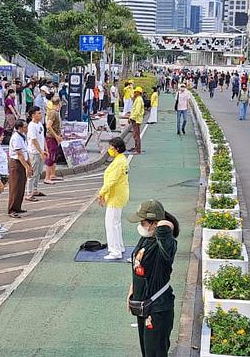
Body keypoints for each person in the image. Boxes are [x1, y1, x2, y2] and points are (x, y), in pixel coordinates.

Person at [127, 200, 179, 357]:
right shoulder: (146, 238)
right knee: (147, 351)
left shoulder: (166, 245)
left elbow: (165, 230)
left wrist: (164, 224)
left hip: (158, 309)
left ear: (155, 224)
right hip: (144, 306)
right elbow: (139, 266)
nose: (141, 226)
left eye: (143, 222)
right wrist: (132, 291)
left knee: (155, 353)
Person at [98, 137, 130, 260]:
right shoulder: (121, 159)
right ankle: (119, 247)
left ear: (116, 149)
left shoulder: (118, 163)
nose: (109, 150)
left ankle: (115, 251)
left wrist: (101, 193)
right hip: (119, 195)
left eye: (111, 147)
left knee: (111, 224)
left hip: (115, 196)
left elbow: (111, 181)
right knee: (116, 223)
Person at [7, 119, 32, 218]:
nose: (26, 128)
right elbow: (19, 154)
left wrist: (29, 164)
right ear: (20, 128)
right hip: (16, 163)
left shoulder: (23, 136)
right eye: (25, 127)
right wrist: (27, 167)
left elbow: (26, 152)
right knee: (15, 186)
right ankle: (12, 208)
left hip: (23, 162)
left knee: (21, 186)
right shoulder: (16, 138)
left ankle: (18, 206)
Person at [25, 107, 48, 201]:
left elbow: (42, 137)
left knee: (38, 172)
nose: (40, 115)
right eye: (38, 113)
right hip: (34, 152)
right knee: (33, 173)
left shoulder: (40, 124)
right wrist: (40, 152)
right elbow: (34, 140)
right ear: (33, 115)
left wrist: (45, 149)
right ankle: (29, 192)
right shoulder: (31, 126)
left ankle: (35, 189)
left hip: (40, 151)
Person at [44, 97, 64, 184]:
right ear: (59, 103)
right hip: (51, 138)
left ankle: (52, 174)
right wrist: (56, 136)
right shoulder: (53, 113)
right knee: (51, 156)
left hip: (55, 137)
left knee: (55, 156)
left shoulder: (56, 112)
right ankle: (47, 177)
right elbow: (48, 126)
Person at [128, 87, 146, 154]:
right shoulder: (137, 99)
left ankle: (138, 150)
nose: (134, 93)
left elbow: (137, 111)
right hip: (135, 119)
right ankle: (136, 148)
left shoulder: (139, 100)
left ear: (138, 93)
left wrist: (131, 118)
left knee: (136, 135)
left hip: (136, 120)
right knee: (135, 135)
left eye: (135, 92)